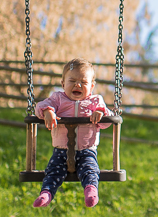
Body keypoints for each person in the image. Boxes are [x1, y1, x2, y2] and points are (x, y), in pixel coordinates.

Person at [32, 58, 112, 209]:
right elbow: (40, 106)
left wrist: (101, 113)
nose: (78, 85)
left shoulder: (96, 102)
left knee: (90, 170)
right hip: (60, 151)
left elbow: (107, 122)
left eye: (83, 82)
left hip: (86, 150)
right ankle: (46, 194)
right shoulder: (57, 99)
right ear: (63, 84)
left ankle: (91, 191)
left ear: (92, 86)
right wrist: (48, 111)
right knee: (53, 172)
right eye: (72, 81)